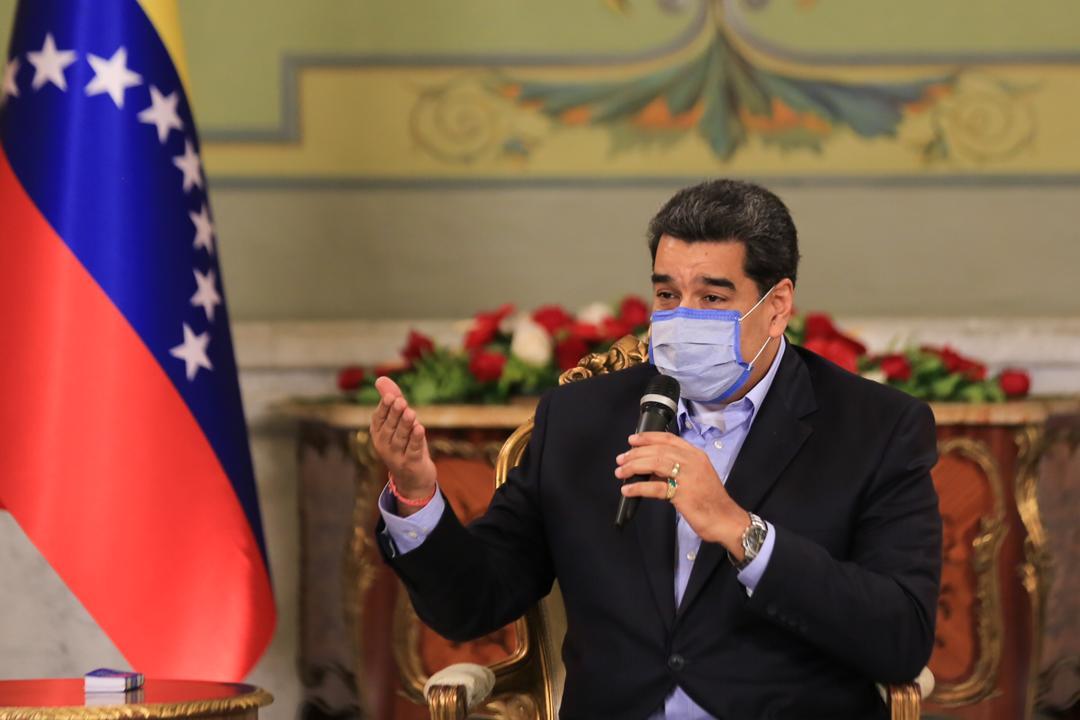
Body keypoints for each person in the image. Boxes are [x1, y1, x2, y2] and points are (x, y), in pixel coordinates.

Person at [370, 179, 942, 719]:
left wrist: (741, 531)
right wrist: (417, 496)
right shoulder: (580, 420)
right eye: (668, 294)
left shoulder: (876, 428)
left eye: (712, 297)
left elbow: (900, 637)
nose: (682, 317)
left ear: (777, 305)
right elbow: (474, 604)